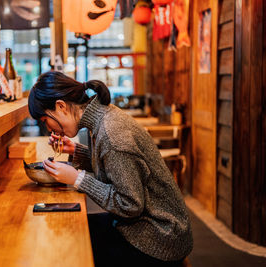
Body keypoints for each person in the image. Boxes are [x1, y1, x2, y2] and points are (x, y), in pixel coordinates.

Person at [28, 71, 193, 266]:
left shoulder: (111, 132)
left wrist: (78, 179)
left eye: (45, 120)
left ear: (61, 106)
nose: (49, 129)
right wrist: (77, 151)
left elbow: (129, 204)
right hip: (146, 224)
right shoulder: (102, 116)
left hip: (160, 236)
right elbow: (117, 168)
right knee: (72, 232)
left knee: (71, 247)